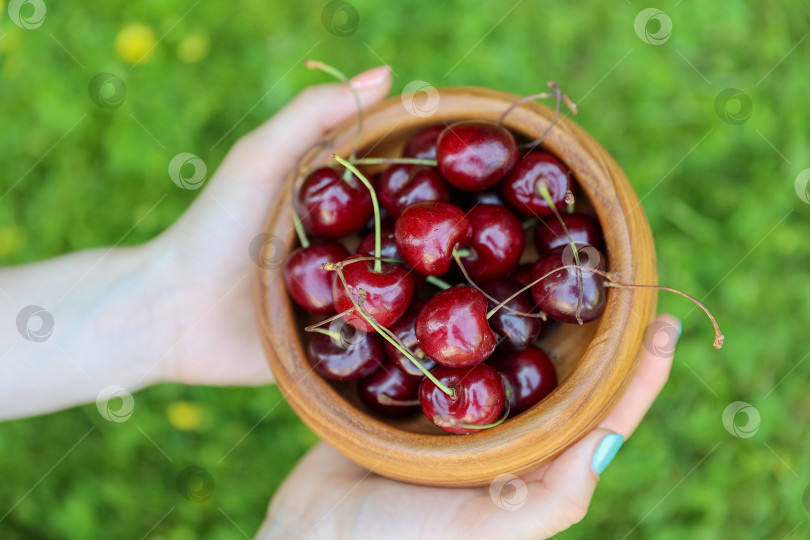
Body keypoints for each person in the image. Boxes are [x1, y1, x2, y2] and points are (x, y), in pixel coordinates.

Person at [0, 65, 680, 539]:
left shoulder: (455, 265)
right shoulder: (392, 288)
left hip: (464, 296)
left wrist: (166, 306)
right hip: (446, 310)